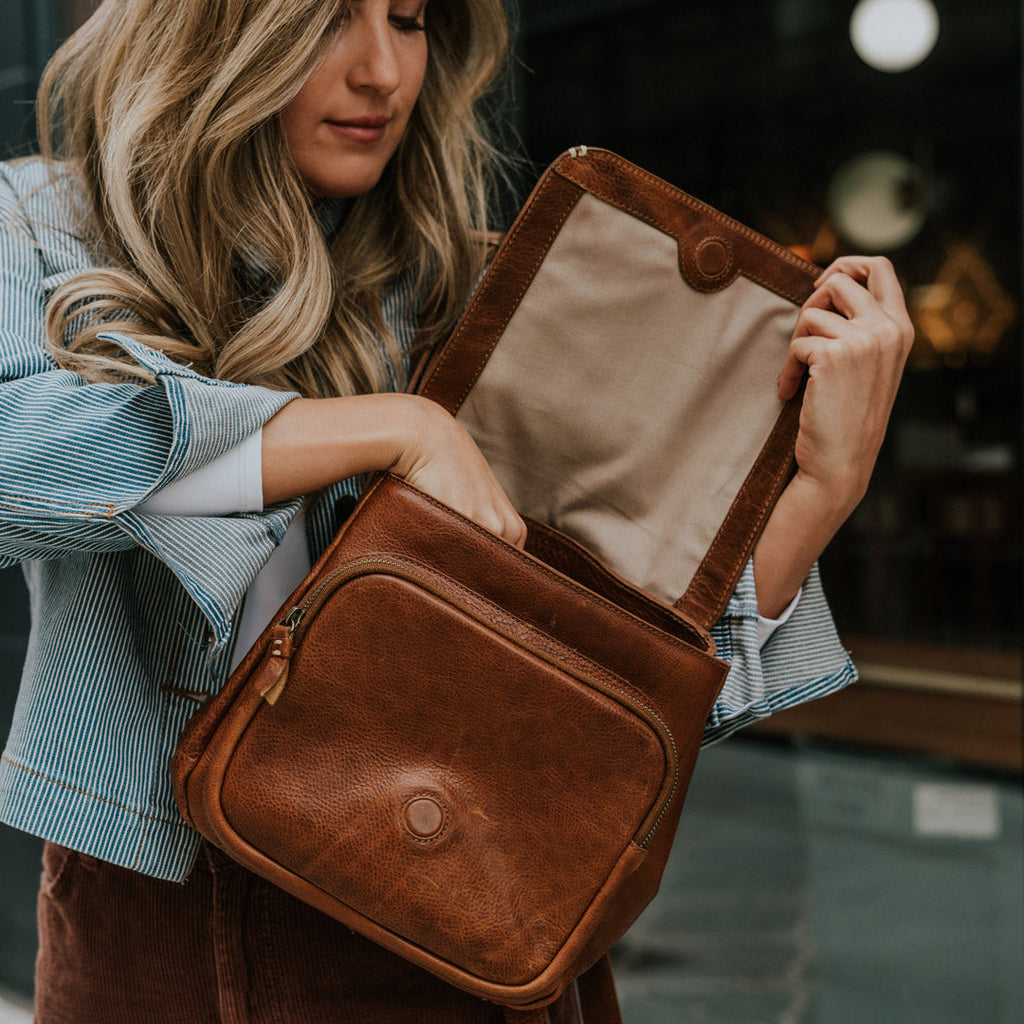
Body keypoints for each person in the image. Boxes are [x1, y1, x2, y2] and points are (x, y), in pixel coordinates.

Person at [0, 0, 913, 1021]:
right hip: (164, 907)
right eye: (331, 17)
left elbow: (606, 689)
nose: (384, 70)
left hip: (474, 899)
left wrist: (823, 493)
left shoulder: (471, 277)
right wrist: (392, 428)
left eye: (412, 19)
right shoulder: (48, 225)